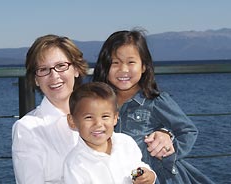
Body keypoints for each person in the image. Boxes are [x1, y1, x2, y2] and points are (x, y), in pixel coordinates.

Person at [92, 29, 215, 184]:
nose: (123, 69)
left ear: (143, 66)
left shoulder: (155, 101)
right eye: (115, 63)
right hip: (120, 177)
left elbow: (187, 130)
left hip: (156, 176)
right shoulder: (98, 103)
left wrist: (168, 152)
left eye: (131, 62)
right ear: (105, 66)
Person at [11, 34, 88, 183]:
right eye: (43, 69)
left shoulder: (100, 116)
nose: (54, 76)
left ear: (76, 69)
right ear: (36, 79)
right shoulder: (27, 129)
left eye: (61, 66)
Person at [64, 82, 156, 184]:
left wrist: (148, 176)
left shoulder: (125, 143)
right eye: (89, 117)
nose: (98, 124)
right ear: (72, 121)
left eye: (105, 116)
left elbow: (137, 168)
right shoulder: (74, 164)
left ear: (115, 118)